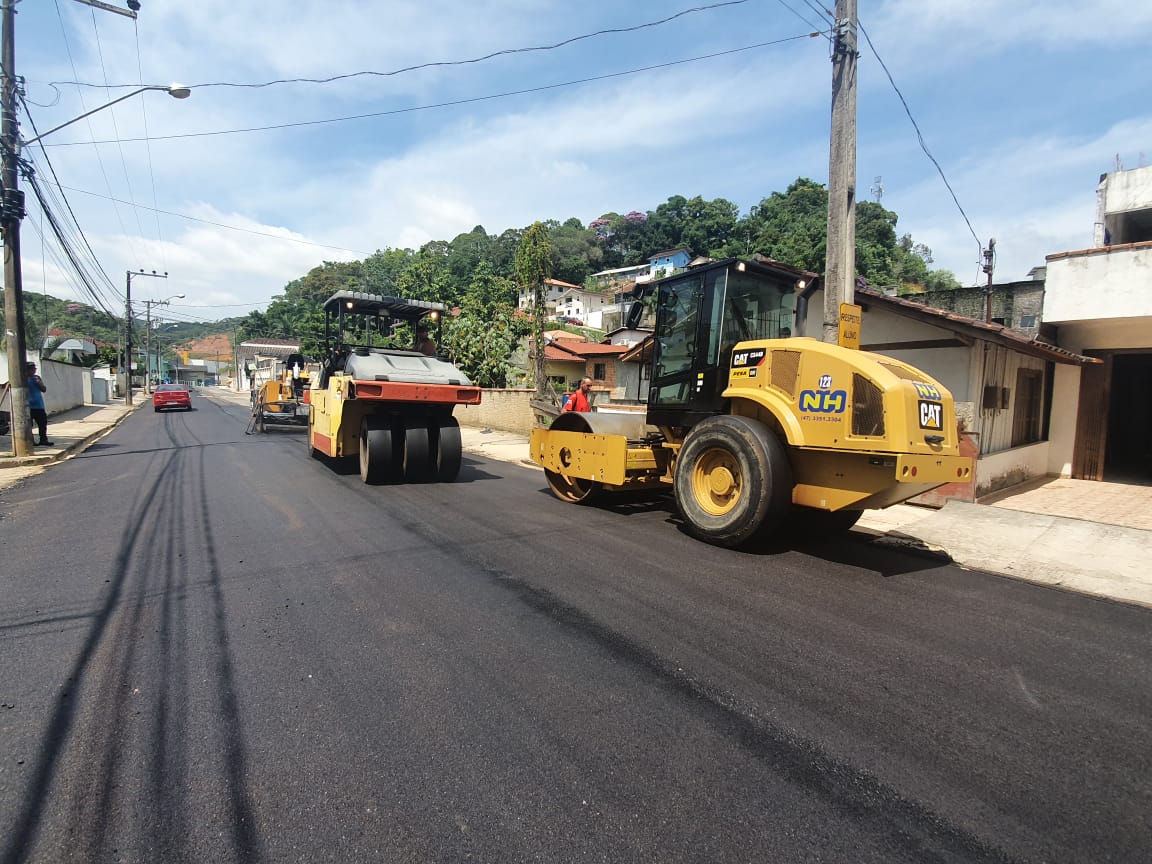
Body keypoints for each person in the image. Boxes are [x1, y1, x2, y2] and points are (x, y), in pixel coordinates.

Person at [26, 361, 52, 446]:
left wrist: (38, 382)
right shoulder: (22, 379)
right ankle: (31, 441)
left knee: (42, 424)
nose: (34, 370)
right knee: (29, 425)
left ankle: (43, 440)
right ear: (27, 370)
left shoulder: (37, 378)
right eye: (32, 369)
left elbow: (44, 389)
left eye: (35, 369)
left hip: (39, 405)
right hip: (28, 406)